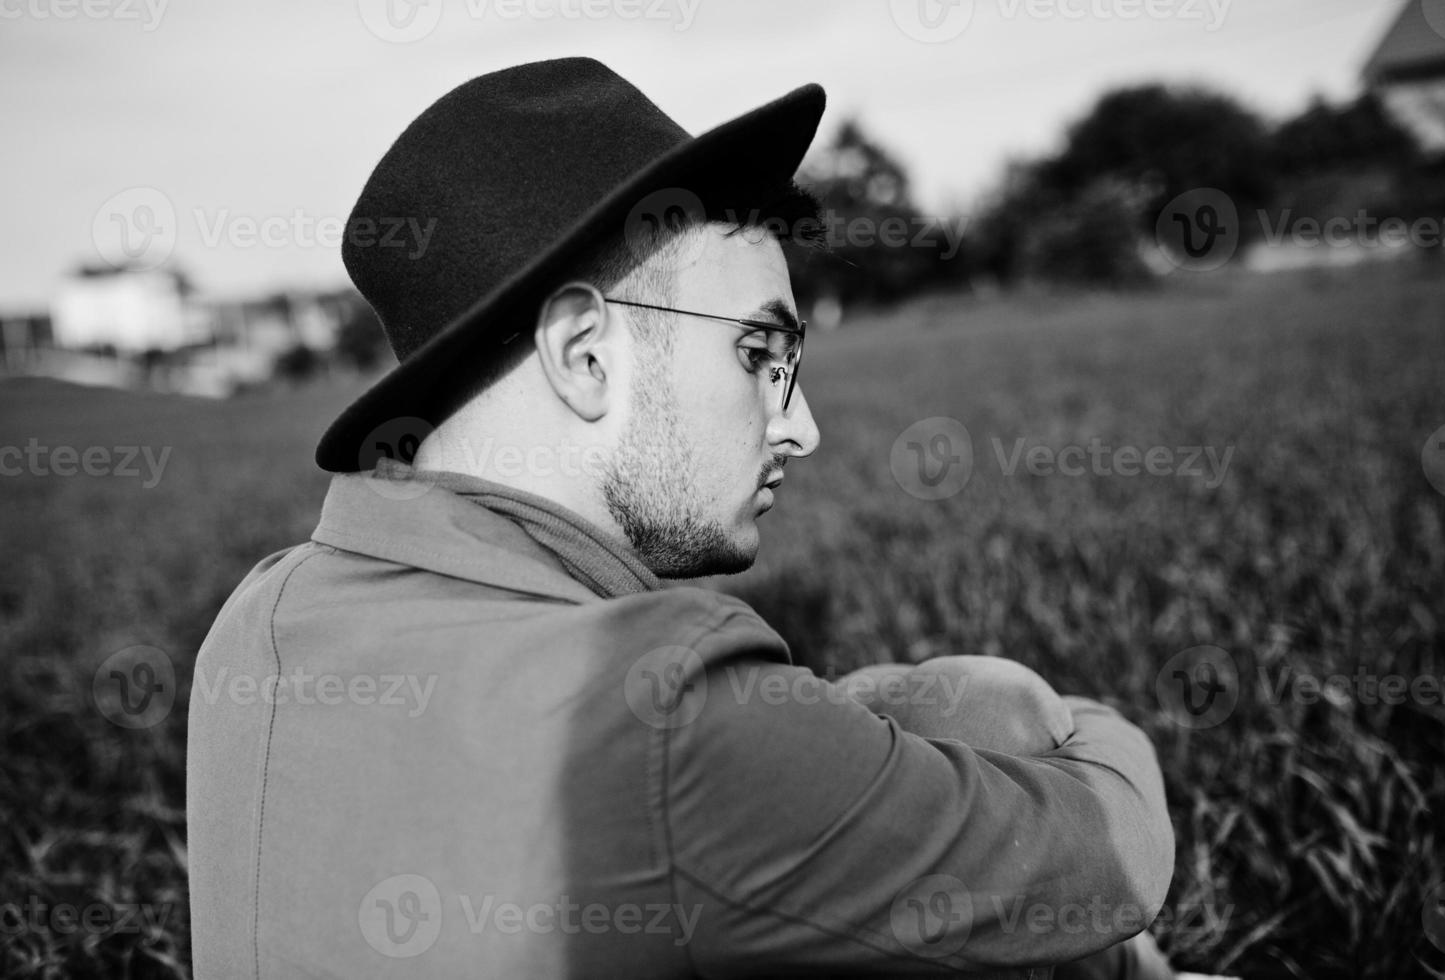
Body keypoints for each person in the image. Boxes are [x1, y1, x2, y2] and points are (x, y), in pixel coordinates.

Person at [187, 57, 1177, 978]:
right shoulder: (663, 712)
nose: (803, 428)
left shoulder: (254, 619)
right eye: (760, 356)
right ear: (586, 355)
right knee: (981, 706)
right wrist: (1088, 719)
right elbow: (1113, 856)